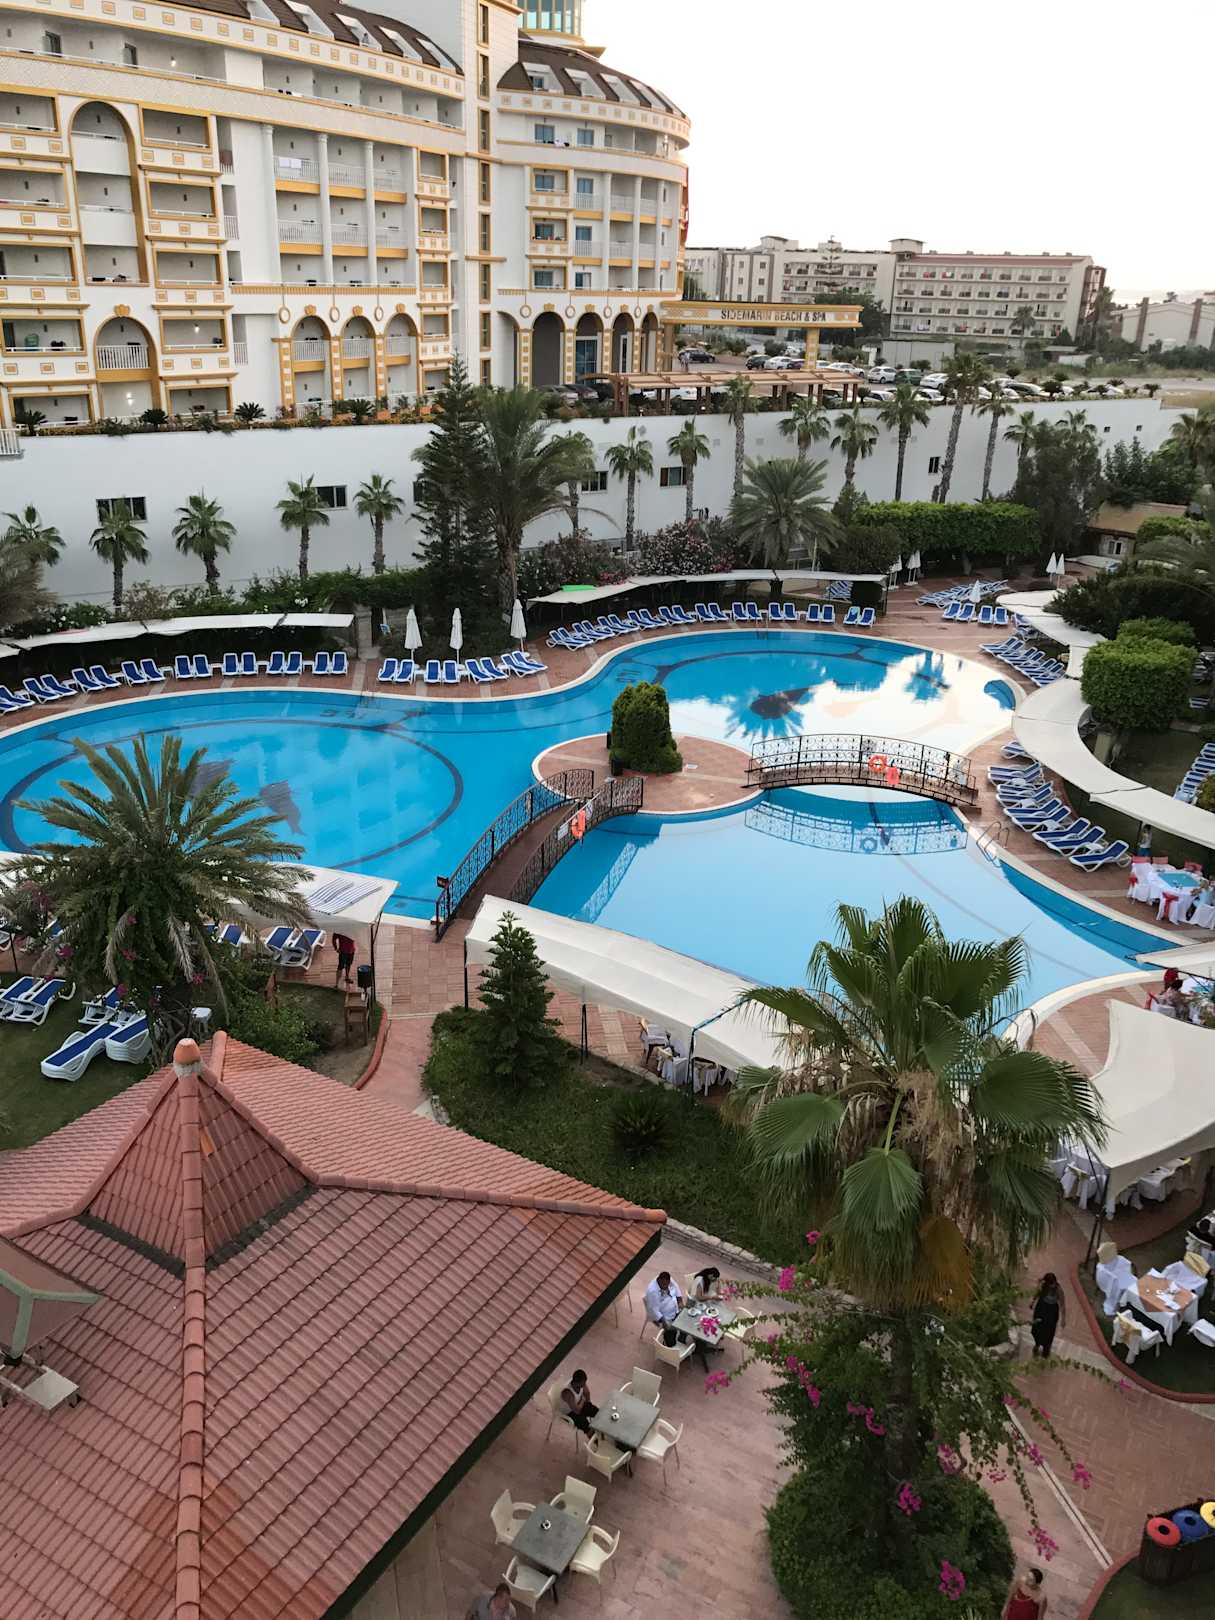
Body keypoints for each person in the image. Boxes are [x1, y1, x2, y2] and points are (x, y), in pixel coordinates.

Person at [642, 1270, 687, 1345]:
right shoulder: (652, 1292)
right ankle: (668, 1343)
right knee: (671, 1334)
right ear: (659, 1280)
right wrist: (664, 1322)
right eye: (664, 1285)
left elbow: (676, 1287)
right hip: (664, 1316)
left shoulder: (667, 1279)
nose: (666, 1287)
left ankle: (681, 1338)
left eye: (667, 1284)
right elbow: (654, 1311)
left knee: (686, 1319)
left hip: (675, 1308)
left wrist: (680, 1301)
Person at [1030, 1274, 1065, 1358]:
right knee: (1037, 1328)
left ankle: (1046, 1349)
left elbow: (1062, 1304)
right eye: (1051, 1283)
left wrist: (1063, 1319)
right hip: (1041, 1308)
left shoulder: (1058, 1289)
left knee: (1049, 1331)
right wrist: (1032, 1302)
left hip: (1051, 1312)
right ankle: (1037, 1344)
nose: (1053, 1285)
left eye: (1054, 1283)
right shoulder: (1043, 1285)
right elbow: (1037, 1294)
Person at [560, 1368, 598, 1433]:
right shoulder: (568, 1393)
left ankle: (603, 1429)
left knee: (596, 1411)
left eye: (585, 1383)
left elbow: (587, 1393)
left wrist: (588, 1404)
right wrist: (583, 1400)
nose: (584, 1385)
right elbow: (577, 1411)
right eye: (583, 1384)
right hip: (570, 1412)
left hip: (579, 1404)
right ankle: (594, 1437)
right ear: (576, 1382)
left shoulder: (580, 1383)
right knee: (585, 1424)